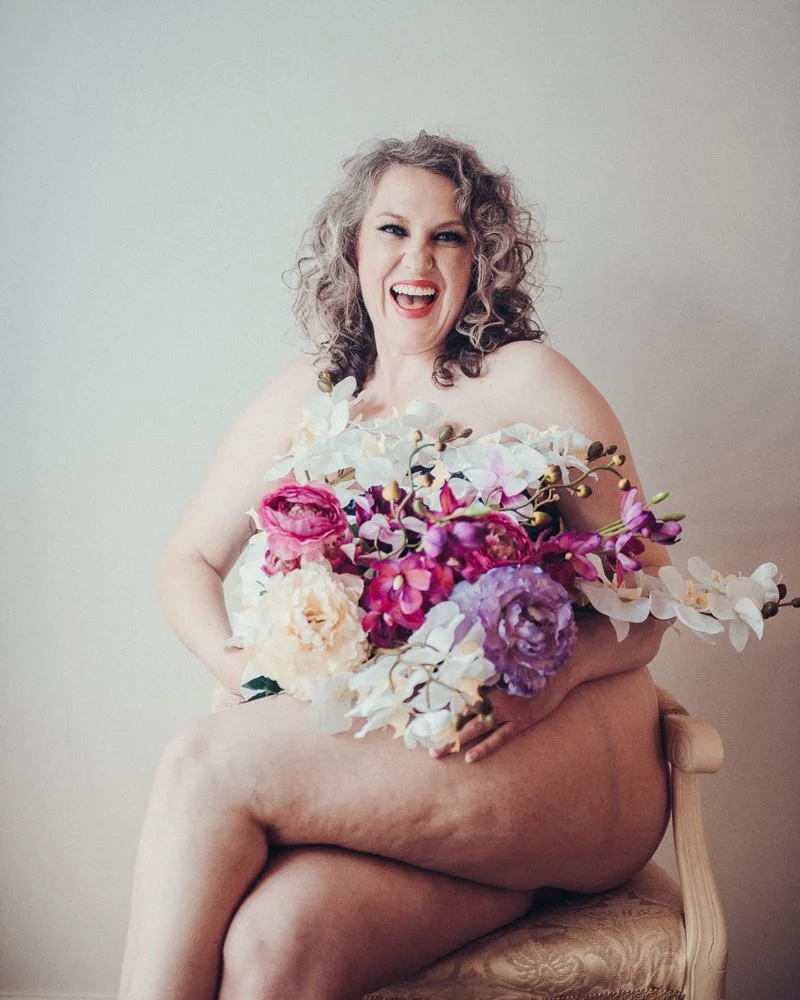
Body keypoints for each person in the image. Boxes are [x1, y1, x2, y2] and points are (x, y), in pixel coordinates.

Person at [119, 132, 671, 1000]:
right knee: (274, 947)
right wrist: (249, 675)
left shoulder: (526, 381)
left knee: (205, 764)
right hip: (402, 764)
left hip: (550, 750)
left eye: (448, 236)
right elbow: (186, 559)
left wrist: (554, 685)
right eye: (392, 230)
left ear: (480, 258)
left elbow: (653, 596)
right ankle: (490, 868)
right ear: (353, 247)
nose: (418, 259)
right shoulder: (309, 393)